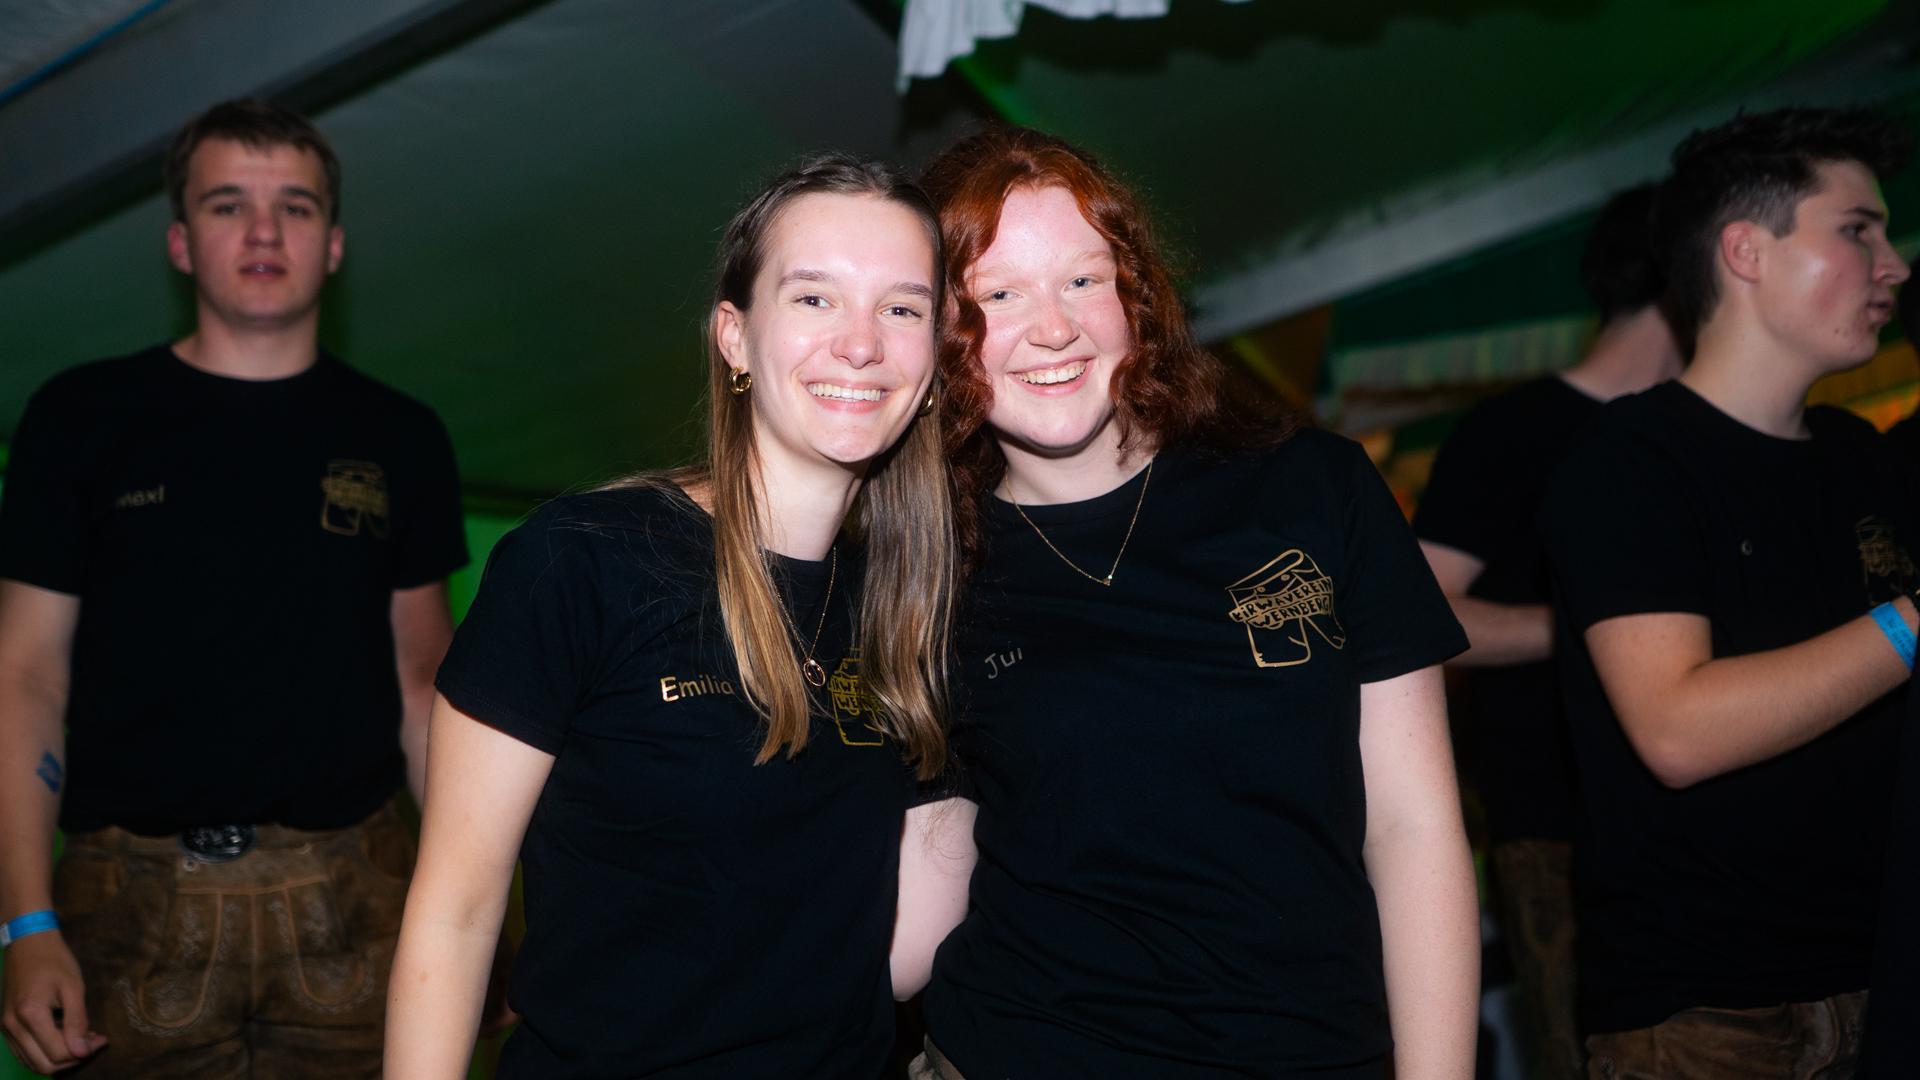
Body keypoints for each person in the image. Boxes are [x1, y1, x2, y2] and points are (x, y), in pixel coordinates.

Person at [892, 126, 1479, 1079]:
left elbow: (1412, 827)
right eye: (997, 296)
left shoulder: (1309, 487)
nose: (1053, 327)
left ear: (1138, 294)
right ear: (939, 335)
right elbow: (938, 852)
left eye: (1084, 280)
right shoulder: (920, 570)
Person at [384, 153, 954, 1078]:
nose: (863, 344)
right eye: (814, 298)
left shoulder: (914, 608)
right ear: (734, 336)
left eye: (902, 307)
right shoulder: (585, 558)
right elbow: (455, 912)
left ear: (934, 357)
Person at [0, 99, 469, 1077]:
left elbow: (427, 680)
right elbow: (25, 679)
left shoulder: (403, 435)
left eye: (294, 207)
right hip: (126, 912)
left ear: (333, 245)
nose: (263, 231)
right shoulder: (81, 420)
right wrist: (24, 923)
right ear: (180, 242)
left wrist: (476, 907)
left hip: (362, 902)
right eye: (227, 205)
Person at [1538, 106, 1916, 1075]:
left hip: (1883, 978)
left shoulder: (1859, 458)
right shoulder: (1629, 462)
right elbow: (1679, 730)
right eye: (1858, 231)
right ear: (1746, 250)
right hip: (1716, 1023)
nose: (1896, 265)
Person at [1414, 184, 1681, 1080]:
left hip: (1686, 819)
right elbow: (1425, 613)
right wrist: (1612, 636)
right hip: (1556, 827)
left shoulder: (1690, 435)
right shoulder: (1511, 432)